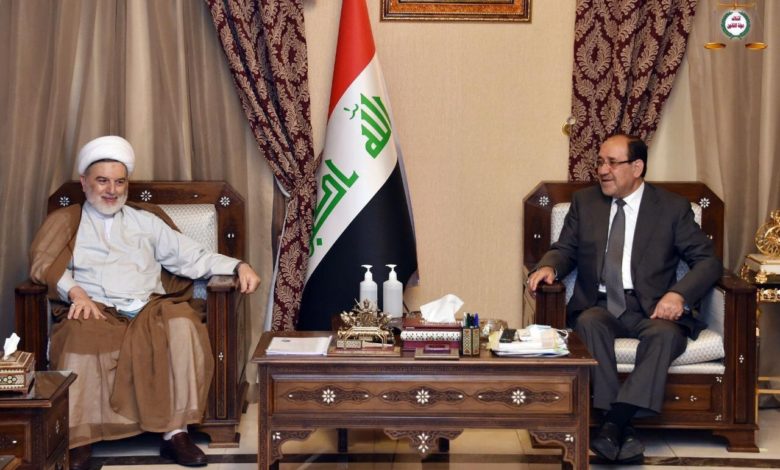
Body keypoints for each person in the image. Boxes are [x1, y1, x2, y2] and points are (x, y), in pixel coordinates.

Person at [28, 136, 261, 469]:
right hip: (95, 308)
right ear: (84, 182)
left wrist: (238, 266)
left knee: (183, 327)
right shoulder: (67, 221)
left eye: (119, 182)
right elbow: (43, 264)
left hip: (148, 307)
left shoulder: (145, 221)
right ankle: (81, 438)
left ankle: (175, 434)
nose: (111, 190)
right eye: (102, 181)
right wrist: (76, 292)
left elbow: (191, 257)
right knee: (77, 339)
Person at [527, 134, 721, 463]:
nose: (603, 170)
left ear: (637, 167)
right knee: (588, 324)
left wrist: (678, 294)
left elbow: (708, 261)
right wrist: (548, 266)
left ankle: (612, 424)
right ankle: (621, 427)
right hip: (601, 305)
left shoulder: (671, 208)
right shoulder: (585, 203)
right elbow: (565, 249)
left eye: (612, 163)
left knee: (664, 336)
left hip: (653, 309)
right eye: (600, 162)